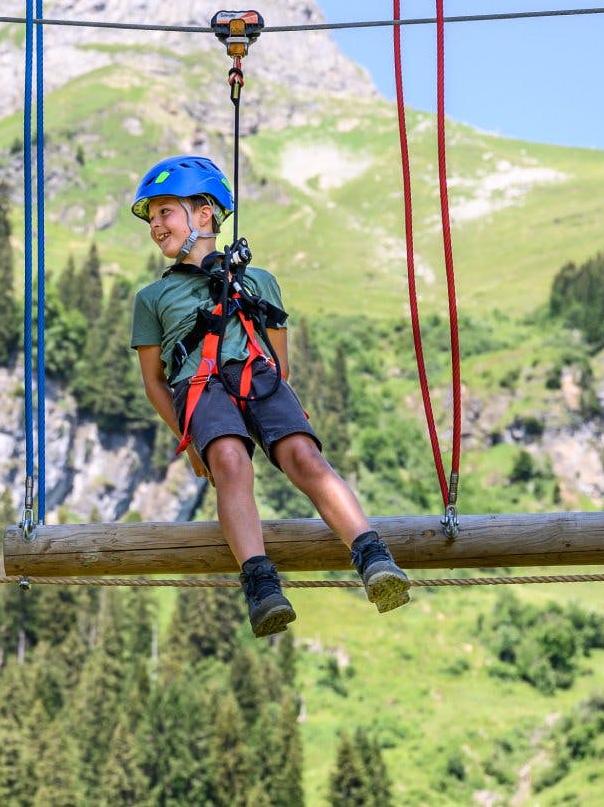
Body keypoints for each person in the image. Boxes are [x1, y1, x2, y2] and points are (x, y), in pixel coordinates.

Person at [128, 154, 410, 637]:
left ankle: (371, 554)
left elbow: (278, 361)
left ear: (203, 214)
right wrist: (188, 440)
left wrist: (273, 402)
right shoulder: (153, 299)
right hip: (200, 388)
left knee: (303, 454)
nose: (156, 226)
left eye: (164, 212)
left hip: (259, 377)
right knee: (231, 463)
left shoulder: (257, 282)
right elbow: (154, 380)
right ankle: (261, 584)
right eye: (152, 217)